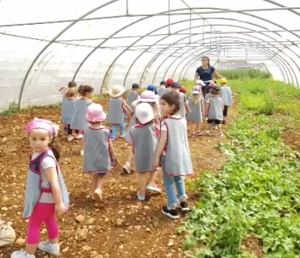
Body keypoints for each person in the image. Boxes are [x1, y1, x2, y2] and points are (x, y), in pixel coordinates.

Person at [11, 119, 69, 258]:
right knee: (49, 220)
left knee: (34, 225)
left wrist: (59, 202)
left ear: (50, 139)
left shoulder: (46, 160)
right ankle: (53, 246)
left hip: (44, 198)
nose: (38, 142)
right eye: (34, 138)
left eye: (42, 139)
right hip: (45, 198)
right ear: (29, 138)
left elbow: (54, 182)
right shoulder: (40, 154)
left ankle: (29, 254)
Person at [153, 91, 193, 219]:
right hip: (181, 155)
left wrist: (156, 157)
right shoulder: (182, 120)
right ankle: (183, 202)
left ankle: (172, 207)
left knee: (168, 182)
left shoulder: (166, 123)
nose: (161, 106)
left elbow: (162, 141)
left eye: (163, 104)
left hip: (169, 156)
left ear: (172, 106)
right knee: (179, 178)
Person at [125, 103, 161, 201]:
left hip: (140, 154)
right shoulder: (155, 127)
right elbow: (160, 137)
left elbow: (130, 142)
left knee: (142, 174)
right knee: (155, 169)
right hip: (153, 153)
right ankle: (151, 183)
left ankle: (141, 194)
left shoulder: (133, 130)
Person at [83, 104, 117, 201]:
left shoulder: (86, 131)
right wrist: (113, 156)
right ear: (101, 118)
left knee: (94, 174)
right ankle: (98, 189)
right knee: (104, 174)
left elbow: (85, 144)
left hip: (91, 157)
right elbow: (110, 145)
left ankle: (92, 193)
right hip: (103, 157)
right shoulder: (105, 131)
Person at [122, 91, 160, 175]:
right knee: (149, 148)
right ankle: (149, 166)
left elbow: (133, 104)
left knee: (135, 146)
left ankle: (128, 163)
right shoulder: (150, 110)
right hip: (147, 130)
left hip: (135, 127)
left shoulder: (138, 106)